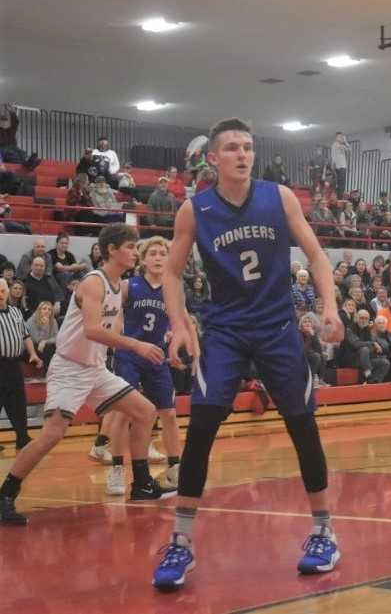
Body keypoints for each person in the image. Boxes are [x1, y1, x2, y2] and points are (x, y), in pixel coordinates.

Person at [152, 118, 345, 590]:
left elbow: (317, 255)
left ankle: (324, 531)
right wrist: (180, 324)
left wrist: (330, 307)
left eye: (248, 147)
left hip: (278, 327)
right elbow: (173, 273)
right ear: (213, 159)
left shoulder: (277, 197)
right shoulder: (194, 209)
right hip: (225, 331)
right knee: (201, 429)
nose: (243, 154)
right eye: (233, 148)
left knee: (302, 425)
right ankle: (181, 541)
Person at [0, 224, 172, 526]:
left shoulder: (120, 285)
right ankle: (6, 494)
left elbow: (110, 329)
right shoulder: (94, 282)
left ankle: (142, 483)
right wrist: (136, 345)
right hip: (70, 368)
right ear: (111, 250)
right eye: (130, 247)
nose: (135, 252)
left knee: (144, 412)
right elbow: (92, 329)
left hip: (95, 368)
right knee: (52, 434)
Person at [102, 237, 187, 497]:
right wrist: (116, 341)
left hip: (157, 355)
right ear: (143, 258)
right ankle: (117, 468)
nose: (159, 257)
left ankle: (176, 468)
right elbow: (115, 315)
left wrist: (175, 338)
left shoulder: (173, 290)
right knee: (123, 414)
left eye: (163, 253)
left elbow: (181, 321)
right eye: (154, 253)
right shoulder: (129, 286)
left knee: (169, 414)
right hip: (130, 353)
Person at [0, 279, 44, 452]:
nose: (0, 295)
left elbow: (25, 336)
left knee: (18, 402)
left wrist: (32, 353)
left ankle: (22, 438)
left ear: (7, 292)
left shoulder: (15, 312)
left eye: (3, 291)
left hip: (13, 364)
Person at [24, 300, 58, 371]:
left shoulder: (53, 321)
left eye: (49, 309)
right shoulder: (31, 321)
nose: (47, 311)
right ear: (39, 310)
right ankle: (48, 370)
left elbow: (57, 338)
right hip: (32, 348)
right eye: (44, 308)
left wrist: (45, 341)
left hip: (45, 346)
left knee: (51, 347)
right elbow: (37, 340)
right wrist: (45, 326)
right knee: (49, 348)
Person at [331, 132, 350, 197]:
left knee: (342, 184)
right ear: (336, 138)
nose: (341, 138)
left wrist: (345, 141)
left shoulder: (342, 145)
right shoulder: (335, 145)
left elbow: (349, 150)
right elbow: (333, 155)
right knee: (339, 184)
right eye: (339, 137)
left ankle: (340, 197)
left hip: (343, 166)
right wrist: (333, 165)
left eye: (341, 137)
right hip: (338, 167)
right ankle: (338, 197)